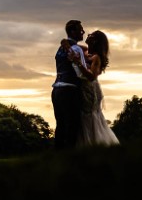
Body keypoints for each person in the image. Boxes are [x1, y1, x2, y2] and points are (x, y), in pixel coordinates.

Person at [62, 29, 120, 147]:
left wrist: (78, 62)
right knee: (84, 117)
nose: (88, 35)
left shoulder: (97, 58)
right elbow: (73, 46)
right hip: (83, 88)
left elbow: (91, 76)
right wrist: (65, 43)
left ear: (96, 41)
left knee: (89, 116)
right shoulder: (86, 51)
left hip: (90, 90)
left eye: (91, 36)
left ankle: (93, 145)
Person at [51, 19, 87, 150]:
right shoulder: (76, 48)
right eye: (80, 30)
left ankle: (57, 156)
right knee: (72, 127)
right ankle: (69, 158)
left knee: (60, 125)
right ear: (73, 31)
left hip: (56, 90)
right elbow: (81, 73)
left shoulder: (60, 49)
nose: (83, 32)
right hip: (70, 90)